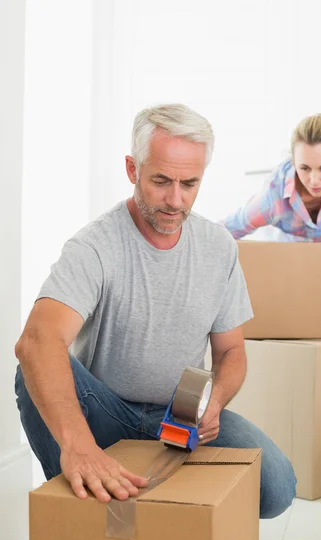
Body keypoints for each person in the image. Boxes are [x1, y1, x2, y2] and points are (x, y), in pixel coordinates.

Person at [15, 103, 296, 518]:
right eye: (161, 181)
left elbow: (231, 352)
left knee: (277, 488)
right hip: (104, 412)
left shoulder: (219, 247)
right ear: (132, 169)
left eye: (190, 183)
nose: (175, 200)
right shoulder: (95, 246)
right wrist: (80, 447)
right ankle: (82, 500)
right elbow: (37, 341)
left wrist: (214, 402)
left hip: (182, 419)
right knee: (34, 365)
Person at [221, 114, 321, 336]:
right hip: (290, 265)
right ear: (293, 162)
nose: (313, 180)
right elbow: (227, 231)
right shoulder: (273, 197)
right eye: (304, 168)